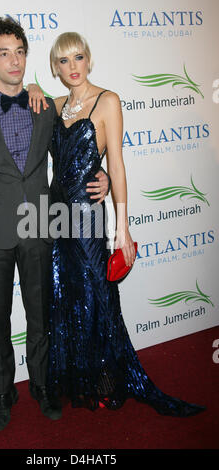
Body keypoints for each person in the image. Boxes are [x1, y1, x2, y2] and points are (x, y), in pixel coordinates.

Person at [0, 18, 109, 432]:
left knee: (41, 317)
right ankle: (4, 392)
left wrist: (103, 174)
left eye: (19, 51)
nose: (14, 60)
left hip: (40, 226)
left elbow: (83, 138)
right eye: (3, 53)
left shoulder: (46, 108)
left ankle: (41, 385)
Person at [46, 32, 205, 417]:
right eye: (63, 61)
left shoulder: (108, 101)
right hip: (54, 216)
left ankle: (106, 380)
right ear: (56, 66)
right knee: (64, 294)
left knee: (96, 296)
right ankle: (76, 379)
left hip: (86, 216)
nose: (72, 67)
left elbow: (115, 164)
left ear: (89, 59)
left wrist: (123, 225)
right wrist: (33, 83)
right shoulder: (52, 105)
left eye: (78, 57)